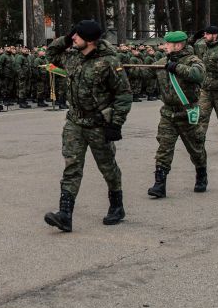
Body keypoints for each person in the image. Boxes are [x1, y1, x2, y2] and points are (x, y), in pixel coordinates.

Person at [43, 20, 132, 233]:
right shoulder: (72, 56)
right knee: (72, 167)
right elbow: (51, 55)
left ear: (90, 40)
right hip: (75, 122)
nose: (73, 38)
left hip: (99, 124)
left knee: (107, 166)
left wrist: (116, 124)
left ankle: (117, 206)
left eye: (78, 35)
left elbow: (124, 94)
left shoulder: (109, 62)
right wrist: (65, 38)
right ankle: (65, 215)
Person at [148, 31, 207, 198]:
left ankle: (201, 174)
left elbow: (198, 75)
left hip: (186, 112)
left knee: (195, 148)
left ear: (178, 45)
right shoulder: (161, 62)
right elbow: (145, 74)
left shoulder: (193, 60)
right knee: (164, 148)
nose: (164, 46)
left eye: (167, 44)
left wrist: (177, 68)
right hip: (168, 113)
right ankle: (159, 184)